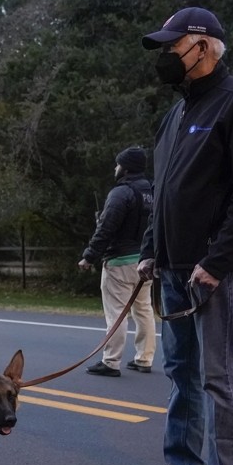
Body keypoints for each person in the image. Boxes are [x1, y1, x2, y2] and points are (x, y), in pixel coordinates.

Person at [131, 7, 233, 465]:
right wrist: (151, 248)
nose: (167, 56)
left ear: (205, 46)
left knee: (219, 378)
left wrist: (217, 260)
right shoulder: (175, 115)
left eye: (173, 46)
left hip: (212, 271)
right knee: (181, 374)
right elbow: (163, 193)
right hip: (172, 266)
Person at [79, 146, 156, 377]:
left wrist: (89, 256)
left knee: (116, 312)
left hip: (119, 262)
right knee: (143, 309)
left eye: (118, 164)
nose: (115, 168)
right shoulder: (152, 191)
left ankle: (111, 361)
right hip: (145, 260)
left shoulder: (120, 193)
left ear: (125, 167)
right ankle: (144, 358)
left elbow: (106, 229)